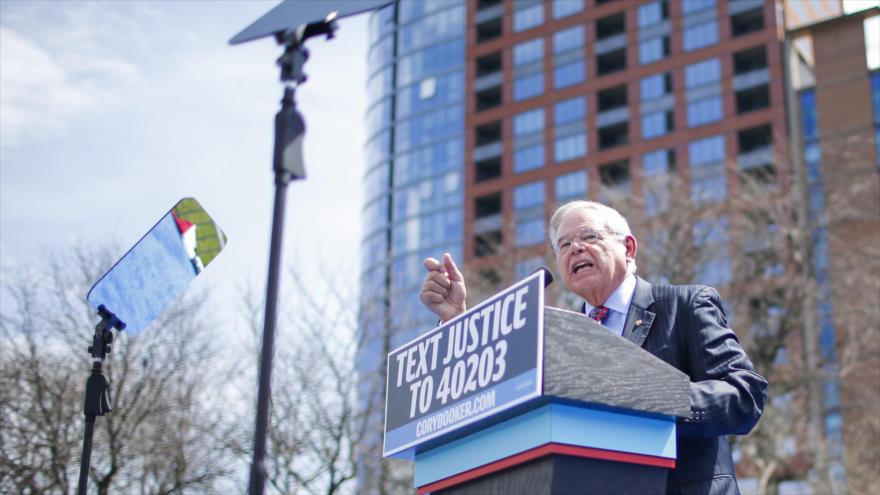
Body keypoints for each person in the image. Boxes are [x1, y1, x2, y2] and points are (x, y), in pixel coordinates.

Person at [419, 200, 768, 495]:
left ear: (628, 248)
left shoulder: (685, 305)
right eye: (564, 244)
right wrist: (457, 324)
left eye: (589, 236)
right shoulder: (558, 337)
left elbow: (744, 396)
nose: (575, 248)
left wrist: (642, 397)